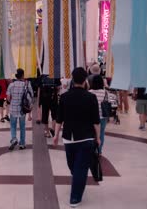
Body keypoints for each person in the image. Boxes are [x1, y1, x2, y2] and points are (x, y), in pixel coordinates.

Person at [53, 67, 100, 208]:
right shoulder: (90, 97)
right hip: (86, 137)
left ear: (72, 79)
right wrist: (98, 137)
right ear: (85, 80)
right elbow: (96, 121)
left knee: (76, 167)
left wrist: (56, 135)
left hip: (69, 138)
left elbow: (59, 119)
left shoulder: (65, 97)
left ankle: (75, 197)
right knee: (76, 168)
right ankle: (79, 182)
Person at [6, 68, 33, 151]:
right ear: (23, 75)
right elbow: (31, 96)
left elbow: (8, 98)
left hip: (13, 109)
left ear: (15, 76)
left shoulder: (11, 85)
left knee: (13, 125)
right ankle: (22, 144)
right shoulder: (26, 84)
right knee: (22, 126)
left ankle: (14, 139)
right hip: (23, 109)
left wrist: (12, 102)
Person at [89, 75, 108, 154]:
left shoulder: (89, 92)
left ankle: (92, 150)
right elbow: (107, 103)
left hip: (91, 116)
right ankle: (99, 150)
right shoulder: (105, 92)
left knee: (91, 133)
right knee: (101, 133)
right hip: (102, 116)